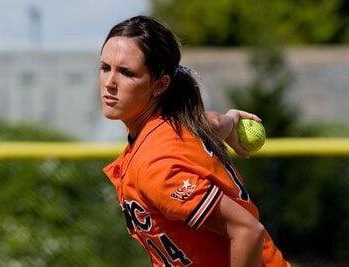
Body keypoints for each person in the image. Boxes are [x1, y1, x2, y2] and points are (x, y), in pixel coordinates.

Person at [101, 15, 290, 267]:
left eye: (127, 73)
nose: (110, 83)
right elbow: (211, 122)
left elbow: (247, 231)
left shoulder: (156, 165)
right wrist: (229, 122)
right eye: (105, 68)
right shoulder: (182, 122)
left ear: (160, 84)